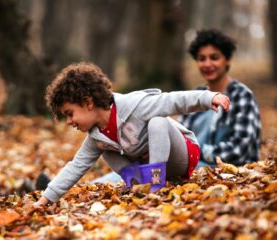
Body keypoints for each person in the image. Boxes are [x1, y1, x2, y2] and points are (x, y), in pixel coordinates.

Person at [34, 62, 230, 206]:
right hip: (149, 163)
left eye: (70, 113)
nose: (69, 121)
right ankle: (139, 183)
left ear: (88, 102)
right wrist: (45, 199)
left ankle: (155, 184)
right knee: (105, 147)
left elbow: (173, 100)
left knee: (158, 121)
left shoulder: (136, 105)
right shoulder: (96, 136)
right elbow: (76, 166)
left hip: (182, 155)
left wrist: (208, 97)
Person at [179, 29, 261, 168]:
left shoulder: (241, 95)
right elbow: (179, 139)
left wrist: (196, 152)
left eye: (214, 57)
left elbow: (239, 150)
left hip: (233, 176)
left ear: (227, 60)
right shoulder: (195, 96)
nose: (207, 64)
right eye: (202, 58)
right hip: (193, 172)